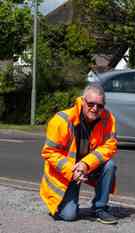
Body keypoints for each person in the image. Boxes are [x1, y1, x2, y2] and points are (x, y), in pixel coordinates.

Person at [39, 83, 118, 224]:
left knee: (109, 165)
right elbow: (49, 152)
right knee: (69, 216)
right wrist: (72, 170)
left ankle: (99, 209)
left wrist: (85, 164)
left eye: (100, 106)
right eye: (91, 104)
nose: (95, 109)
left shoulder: (109, 119)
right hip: (67, 173)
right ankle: (64, 203)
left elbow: (110, 146)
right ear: (82, 101)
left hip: (87, 167)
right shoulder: (62, 120)